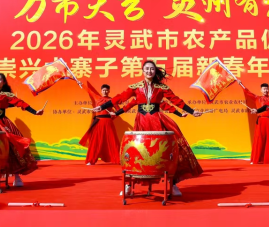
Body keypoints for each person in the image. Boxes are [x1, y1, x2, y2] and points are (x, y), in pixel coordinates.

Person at [92, 60, 204, 196]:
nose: (149, 71)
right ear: (143, 71)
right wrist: (102, 107)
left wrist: (192, 111)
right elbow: (120, 98)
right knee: (137, 151)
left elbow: (175, 100)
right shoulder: (135, 87)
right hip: (142, 122)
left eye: (152, 69)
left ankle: (172, 184)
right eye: (147, 69)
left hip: (157, 120)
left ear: (155, 71)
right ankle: (129, 184)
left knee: (165, 150)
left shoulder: (161, 88)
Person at [80, 84, 122, 165]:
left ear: (109, 91)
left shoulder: (112, 100)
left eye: (106, 90)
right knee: (95, 142)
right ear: (101, 91)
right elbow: (89, 91)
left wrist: (113, 116)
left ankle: (117, 159)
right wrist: (81, 84)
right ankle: (91, 160)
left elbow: (118, 110)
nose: (105, 92)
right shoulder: (97, 98)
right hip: (98, 121)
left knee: (112, 141)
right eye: (103, 90)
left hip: (108, 122)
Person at [244, 83, 269, 165]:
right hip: (261, 121)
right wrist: (241, 84)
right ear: (261, 90)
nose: (266, 90)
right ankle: (258, 159)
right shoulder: (257, 98)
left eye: (267, 89)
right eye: (264, 89)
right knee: (260, 139)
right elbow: (249, 93)